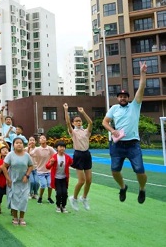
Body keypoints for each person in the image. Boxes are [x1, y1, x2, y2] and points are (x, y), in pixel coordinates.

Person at [103, 61, 148, 204]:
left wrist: (143, 73)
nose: (123, 98)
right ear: (118, 98)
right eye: (120, 96)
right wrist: (112, 130)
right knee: (115, 170)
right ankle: (123, 187)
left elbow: (141, 88)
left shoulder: (135, 106)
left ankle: (142, 189)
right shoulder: (114, 108)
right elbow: (105, 122)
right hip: (117, 145)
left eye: (125, 96)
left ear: (128, 98)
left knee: (140, 170)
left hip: (133, 144)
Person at [63, 103, 93, 211]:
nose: (78, 122)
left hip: (87, 154)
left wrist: (83, 112)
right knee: (81, 181)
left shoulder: (86, 132)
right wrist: (66, 110)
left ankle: (84, 198)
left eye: (79, 121)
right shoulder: (73, 132)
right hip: (78, 155)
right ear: (73, 123)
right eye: (76, 121)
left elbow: (90, 122)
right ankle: (74, 198)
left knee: (89, 180)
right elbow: (67, 123)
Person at [0, 136, 33, 226]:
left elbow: (31, 165)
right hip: (13, 180)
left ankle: (22, 218)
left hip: (24, 181)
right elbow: (3, 166)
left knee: (24, 199)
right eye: (17, 143)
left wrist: (27, 175)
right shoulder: (10, 155)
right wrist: (8, 178)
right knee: (13, 198)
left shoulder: (27, 155)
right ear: (13, 145)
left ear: (23, 145)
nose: (19, 144)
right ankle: (15, 217)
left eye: (21, 143)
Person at [45, 141, 73, 213]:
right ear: (57, 148)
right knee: (59, 193)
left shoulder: (67, 157)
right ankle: (58, 206)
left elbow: (72, 163)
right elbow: (47, 166)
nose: (62, 148)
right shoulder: (54, 157)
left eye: (63, 147)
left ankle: (63, 206)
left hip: (64, 178)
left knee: (64, 193)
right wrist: (51, 163)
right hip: (56, 178)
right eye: (60, 147)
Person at [28, 134, 56, 205]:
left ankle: (49, 198)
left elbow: (55, 155)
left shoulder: (49, 148)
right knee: (43, 184)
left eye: (44, 138)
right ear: (39, 141)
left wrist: (53, 160)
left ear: (46, 140)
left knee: (50, 184)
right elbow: (30, 154)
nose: (42, 139)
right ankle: (40, 197)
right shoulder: (37, 149)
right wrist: (29, 148)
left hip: (49, 170)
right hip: (40, 171)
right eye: (41, 138)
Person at [0, 144, 9, 214]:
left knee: (12, 196)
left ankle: (13, 209)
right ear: (0, 152)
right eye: (3, 150)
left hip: (9, 182)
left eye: (7, 150)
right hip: (0, 182)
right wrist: (1, 168)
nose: (5, 151)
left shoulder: (12, 161)